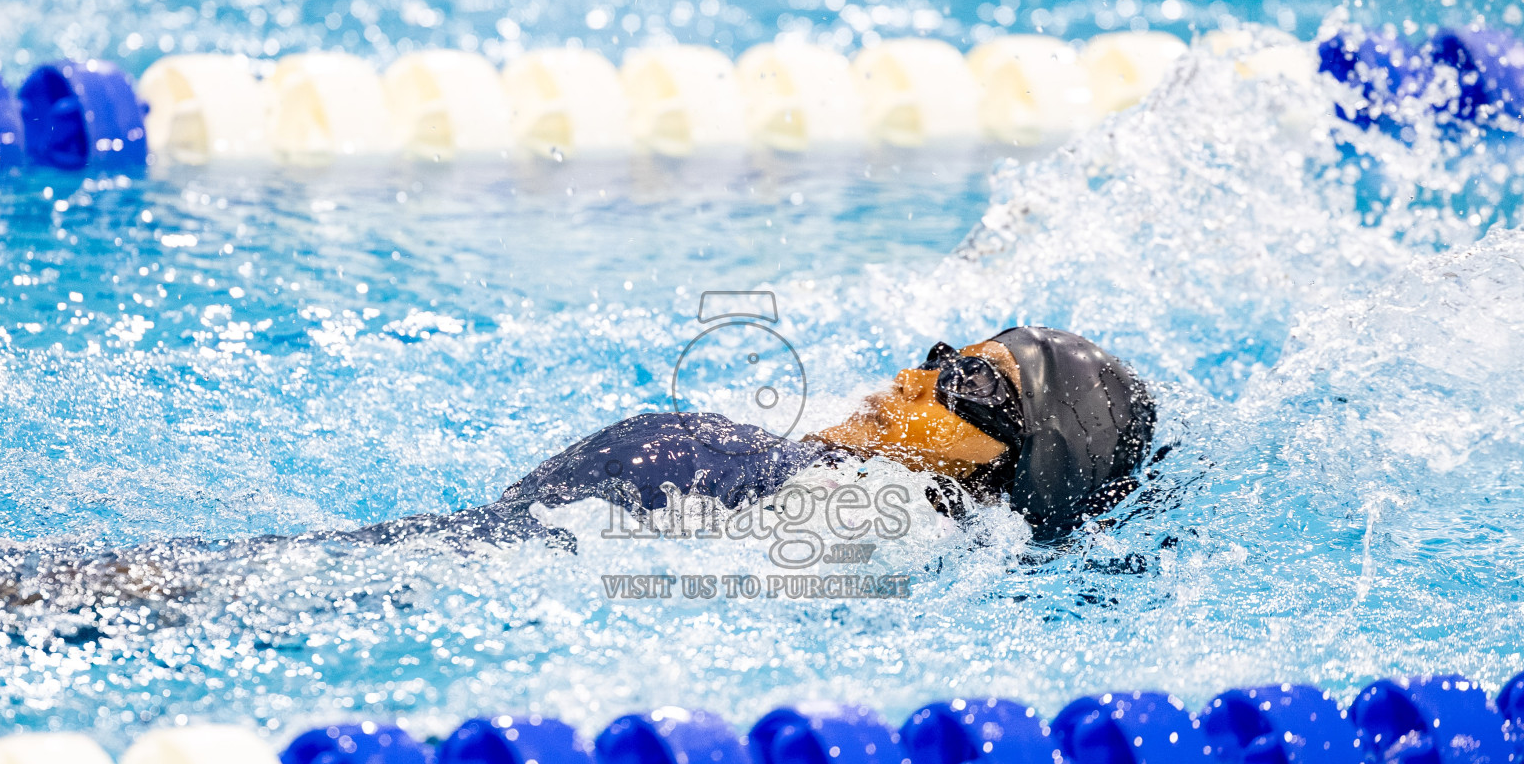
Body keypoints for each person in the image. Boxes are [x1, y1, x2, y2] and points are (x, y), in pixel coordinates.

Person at [349, 325, 1155, 547]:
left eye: (970, 386)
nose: (916, 379)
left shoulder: (875, 529)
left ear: (1026, 467)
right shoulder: (832, 484)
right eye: (942, 358)